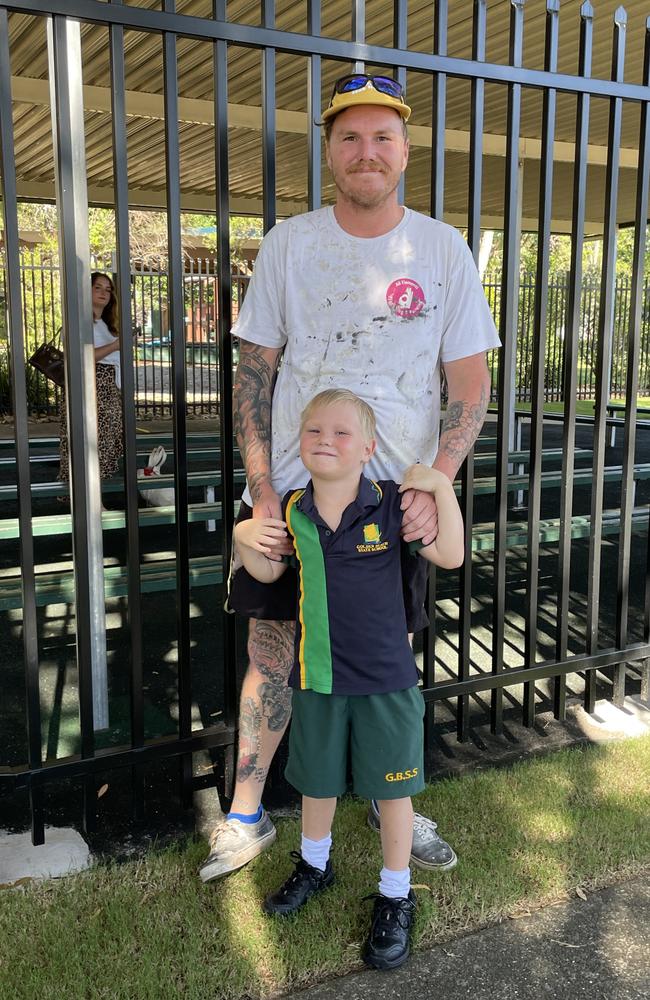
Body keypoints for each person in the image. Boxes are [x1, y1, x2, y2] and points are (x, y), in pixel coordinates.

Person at [199, 73, 500, 883]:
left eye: (383, 137)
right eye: (350, 137)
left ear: (405, 149)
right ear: (329, 150)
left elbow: (469, 388)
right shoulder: (290, 244)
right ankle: (247, 813)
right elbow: (254, 377)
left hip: (388, 502)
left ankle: (387, 795)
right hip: (295, 493)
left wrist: (431, 486)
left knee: (384, 661)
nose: (367, 152)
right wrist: (263, 489)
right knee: (272, 651)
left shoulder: (441, 251)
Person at [233, 389, 465, 970]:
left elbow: (453, 556)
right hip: (317, 679)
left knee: (392, 790)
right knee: (318, 782)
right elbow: (266, 567)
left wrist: (438, 485)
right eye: (314, 432)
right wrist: (242, 538)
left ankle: (395, 894)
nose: (325, 442)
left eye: (341, 433)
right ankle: (315, 863)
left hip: (386, 682)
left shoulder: (392, 506)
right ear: (299, 443)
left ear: (368, 448)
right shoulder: (292, 508)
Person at [58, 271, 123, 489]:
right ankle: (83, 498)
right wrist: (115, 346)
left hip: (108, 389)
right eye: (98, 287)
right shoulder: (79, 321)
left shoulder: (105, 323)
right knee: (89, 443)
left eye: (108, 289)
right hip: (91, 387)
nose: (104, 292)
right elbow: (81, 356)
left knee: (105, 444)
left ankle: (96, 497)